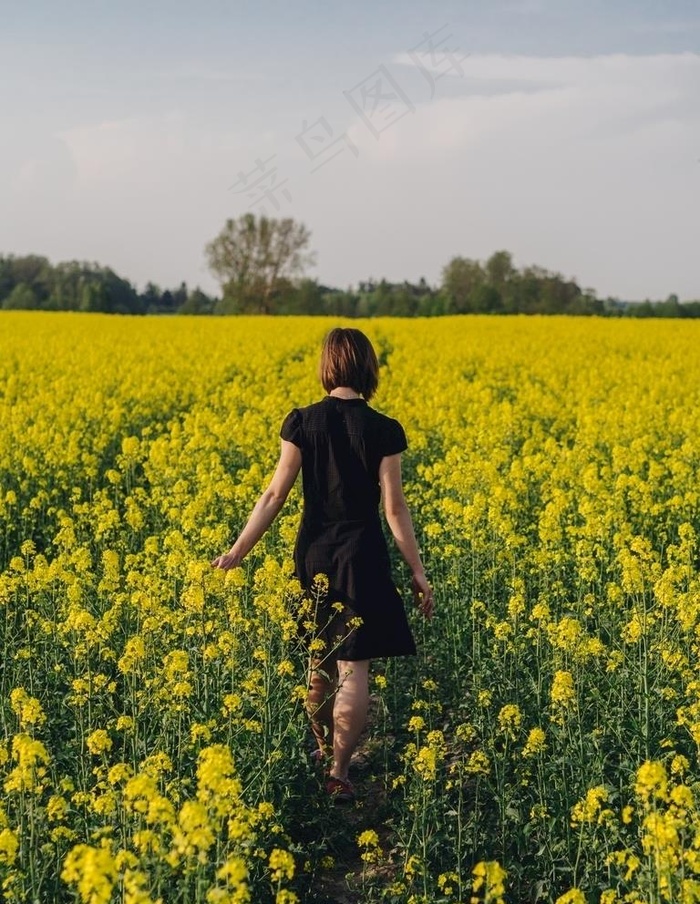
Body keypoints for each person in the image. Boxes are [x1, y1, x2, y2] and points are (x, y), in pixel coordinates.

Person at [211, 327, 433, 803]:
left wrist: (238, 550)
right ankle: (340, 771)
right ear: (369, 368)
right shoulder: (384, 429)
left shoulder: (302, 422)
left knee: (320, 663)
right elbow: (394, 509)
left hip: (314, 553)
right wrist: (417, 571)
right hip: (363, 555)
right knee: (356, 669)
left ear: (327, 367)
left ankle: (319, 747)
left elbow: (274, 494)